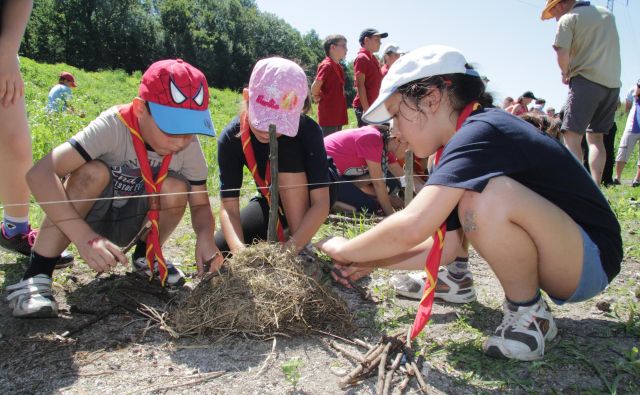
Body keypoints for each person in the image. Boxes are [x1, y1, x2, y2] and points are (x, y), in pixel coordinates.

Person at [319, 45, 622, 361]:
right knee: (474, 198)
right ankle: (456, 279)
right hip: (567, 253)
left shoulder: (481, 131)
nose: (393, 129)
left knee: (483, 198)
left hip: (591, 258)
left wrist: (344, 248)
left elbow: (412, 225)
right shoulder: (456, 145)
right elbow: (447, 249)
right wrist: (371, 261)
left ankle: (529, 315)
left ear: (432, 99)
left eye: (396, 114)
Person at [6, 59, 221, 317]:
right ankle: (37, 274)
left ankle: (146, 255)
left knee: (176, 186)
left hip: (134, 223)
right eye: (172, 128)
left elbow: (199, 203)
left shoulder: (188, 145)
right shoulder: (114, 125)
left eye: (190, 130)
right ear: (141, 109)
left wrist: (205, 237)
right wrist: (84, 237)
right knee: (90, 173)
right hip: (87, 220)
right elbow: (40, 174)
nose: (182, 140)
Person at [215, 57, 334, 255]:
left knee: (288, 155)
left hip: (315, 196)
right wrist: (240, 254)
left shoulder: (307, 131)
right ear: (247, 97)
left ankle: (302, 246)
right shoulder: (231, 138)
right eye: (263, 118)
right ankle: (290, 233)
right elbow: (229, 208)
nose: (269, 129)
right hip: (272, 200)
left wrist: (291, 251)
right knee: (222, 247)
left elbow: (322, 203)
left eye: (280, 121)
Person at [0, 0, 74, 267]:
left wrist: (7, 52)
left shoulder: (58, 88)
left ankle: (14, 229)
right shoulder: (63, 90)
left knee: (16, 143)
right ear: (67, 81)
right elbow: (65, 106)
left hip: (2, 53)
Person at [542, 0, 621, 186]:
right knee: (596, 138)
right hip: (612, 84)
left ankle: (577, 188)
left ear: (559, 5)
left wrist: (565, 72)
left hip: (586, 81)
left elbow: (562, 52)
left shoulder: (568, 19)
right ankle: (595, 186)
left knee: (571, 136)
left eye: (553, 13)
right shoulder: (607, 15)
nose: (555, 19)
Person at [324, 125, 409, 216]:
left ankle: (335, 200)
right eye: (409, 145)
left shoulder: (386, 150)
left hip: (342, 178)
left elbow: (403, 177)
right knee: (369, 208)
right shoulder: (374, 139)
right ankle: (329, 204)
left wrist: (418, 197)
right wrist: (392, 216)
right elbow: (378, 184)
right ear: (398, 139)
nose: (410, 150)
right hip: (325, 170)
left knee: (390, 182)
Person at [311, 34, 348, 136]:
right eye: (344, 46)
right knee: (328, 146)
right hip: (329, 116)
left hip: (338, 115)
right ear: (333, 47)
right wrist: (316, 96)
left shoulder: (338, 67)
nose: (346, 49)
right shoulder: (327, 65)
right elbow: (315, 87)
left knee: (335, 145)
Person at [353, 28, 388, 127]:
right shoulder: (362, 58)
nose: (380, 43)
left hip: (374, 107)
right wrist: (366, 110)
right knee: (366, 139)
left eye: (380, 41)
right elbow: (360, 85)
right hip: (365, 108)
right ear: (366, 40)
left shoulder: (373, 58)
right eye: (377, 40)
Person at [614, 81, 640, 186]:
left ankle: (637, 179)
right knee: (623, 149)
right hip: (632, 125)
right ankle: (617, 177)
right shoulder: (632, 89)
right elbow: (627, 107)